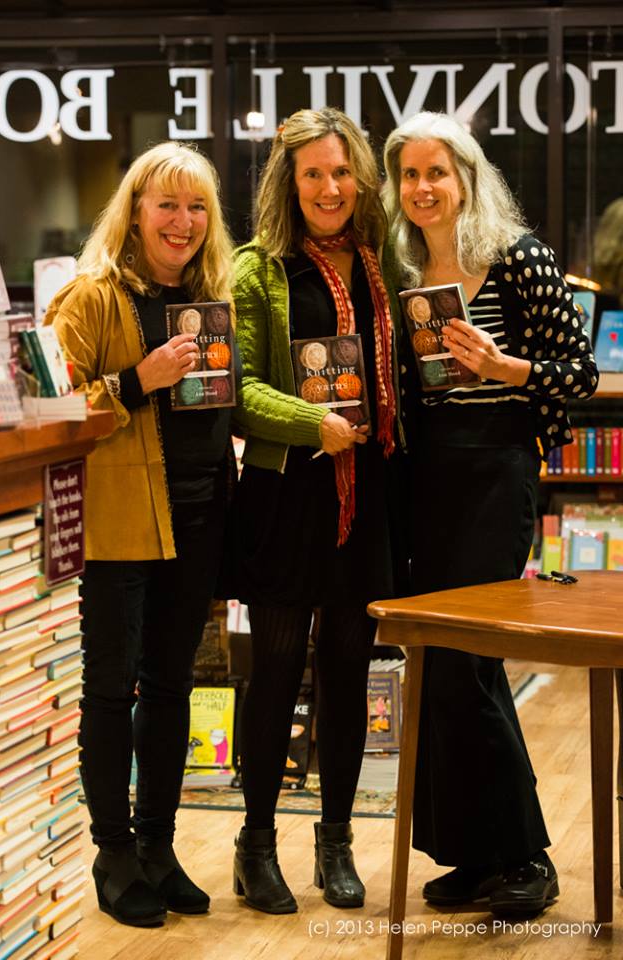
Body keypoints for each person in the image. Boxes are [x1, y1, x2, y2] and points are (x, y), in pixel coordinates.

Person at [382, 112, 599, 917]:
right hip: (426, 477)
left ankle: (526, 857)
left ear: (467, 178)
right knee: (436, 663)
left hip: (496, 470)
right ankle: (473, 856)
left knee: (471, 662)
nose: (423, 188)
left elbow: (577, 372)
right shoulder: (403, 271)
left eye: (437, 172)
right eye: (409, 174)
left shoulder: (520, 259)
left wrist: (505, 366)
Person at [45, 141, 235, 927]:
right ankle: (114, 853)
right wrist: (135, 382)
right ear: (135, 211)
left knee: (171, 686)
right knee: (110, 690)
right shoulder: (91, 297)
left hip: (198, 516)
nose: (182, 221)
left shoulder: (210, 299)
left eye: (197, 208)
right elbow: (52, 413)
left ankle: (158, 846)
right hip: (122, 523)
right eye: (167, 204)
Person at [231, 107, 406, 915]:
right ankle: (255, 842)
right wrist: (316, 424)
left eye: (341, 173)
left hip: (366, 498)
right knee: (271, 674)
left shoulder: (385, 267)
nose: (329, 188)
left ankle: (334, 841)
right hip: (285, 497)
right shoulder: (258, 270)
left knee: (346, 671)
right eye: (313, 175)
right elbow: (236, 392)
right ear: (288, 183)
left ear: (359, 178)